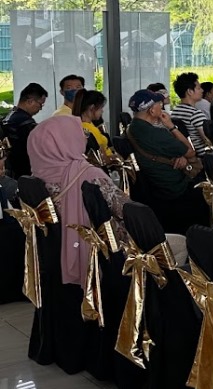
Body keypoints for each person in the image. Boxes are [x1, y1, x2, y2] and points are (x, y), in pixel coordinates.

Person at [27, 116, 132, 289]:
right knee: (176, 244)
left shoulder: (34, 177)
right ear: (65, 139)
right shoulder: (88, 175)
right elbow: (127, 211)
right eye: (79, 132)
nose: (84, 136)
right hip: (104, 253)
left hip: (51, 254)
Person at [124, 89, 204, 234]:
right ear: (151, 110)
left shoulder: (132, 128)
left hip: (155, 184)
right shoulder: (156, 134)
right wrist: (171, 126)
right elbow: (191, 151)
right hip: (175, 187)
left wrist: (182, 156)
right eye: (159, 105)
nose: (162, 107)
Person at [4, 83, 48, 179]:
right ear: (30, 101)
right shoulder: (25, 123)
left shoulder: (9, 116)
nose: (40, 108)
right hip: (23, 173)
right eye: (40, 104)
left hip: (9, 171)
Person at [171, 73, 211, 155]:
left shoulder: (175, 111)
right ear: (190, 91)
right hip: (202, 157)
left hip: (185, 155)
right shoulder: (195, 114)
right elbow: (207, 141)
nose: (202, 90)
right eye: (199, 88)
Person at [72, 90, 113, 159]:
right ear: (92, 108)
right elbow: (103, 158)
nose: (102, 111)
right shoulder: (90, 130)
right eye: (101, 108)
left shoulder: (84, 124)